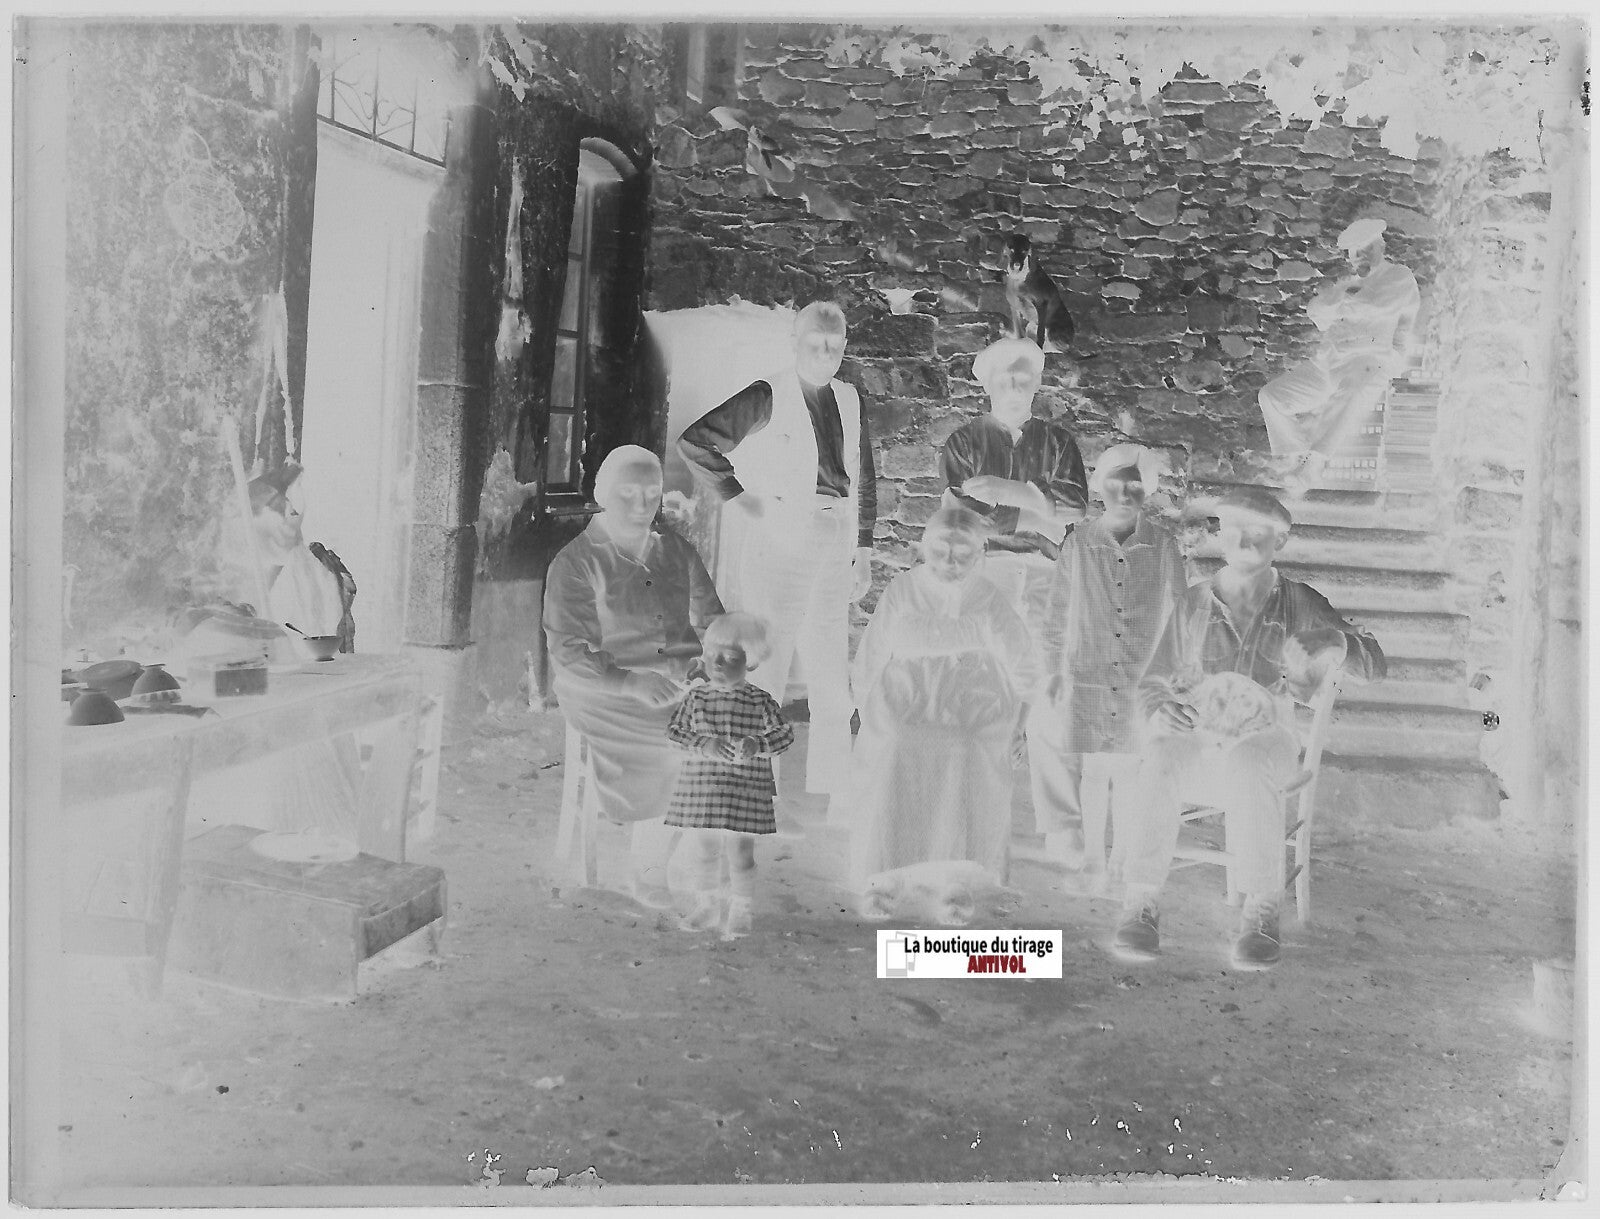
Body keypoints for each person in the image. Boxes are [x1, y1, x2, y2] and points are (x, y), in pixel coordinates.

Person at [1112, 486, 1386, 970]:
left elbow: (1375, 664)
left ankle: (1261, 907)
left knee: (1249, 761)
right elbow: (1154, 679)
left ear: (1279, 541)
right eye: (1232, 528)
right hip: (1203, 733)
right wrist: (1160, 709)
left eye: (1256, 532)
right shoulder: (1197, 602)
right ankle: (1142, 899)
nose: (1242, 540)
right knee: (1160, 753)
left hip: (1268, 737)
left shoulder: (1299, 601)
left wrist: (1334, 639)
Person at [675, 301, 875, 800]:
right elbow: (698, 443)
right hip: (780, 546)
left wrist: (863, 552)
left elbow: (862, 480)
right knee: (769, 666)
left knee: (831, 670)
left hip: (832, 544)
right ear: (795, 341)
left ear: (844, 347)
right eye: (814, 341)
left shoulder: (850, 399)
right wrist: (742, 502)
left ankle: (833, 794)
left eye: (834, 344)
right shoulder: (768, 393)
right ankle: (757, 793)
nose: (824, 352)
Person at [543, 446, 724, 906]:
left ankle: (689, 848)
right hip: (605, 688)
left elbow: (712, 619)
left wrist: (709, 664)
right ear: (602, 494)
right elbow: (571, 650)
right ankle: (649, 867)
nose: (642, 504)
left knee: (736, 730)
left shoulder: (677, 549)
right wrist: (631, 682)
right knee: (678, 740)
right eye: (628, 493)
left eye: (652, 493)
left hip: (679, 681)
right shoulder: (576, 562)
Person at [846, 505, 1037, 921]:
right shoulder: (902, 588)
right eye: (939, 550)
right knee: (896, 737)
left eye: (961, 552)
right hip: (907, 690)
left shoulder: (988, 596)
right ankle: (885, 872)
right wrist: (866, 708)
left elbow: (1025, 666)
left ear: (979, 555)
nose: (949, 561)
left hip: (974, 694)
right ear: (923, 548)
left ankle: (957, 875)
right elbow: (873, 653)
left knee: (966, 742)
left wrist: (1020, 730)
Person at [1029, 443, 1187, 882]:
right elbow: (1058, 612)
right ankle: (1094, 857)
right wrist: (1056, 673)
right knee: (1095, 769)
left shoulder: (1162, 545)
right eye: (1114, 484)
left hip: (1141, 678)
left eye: (1134, 485)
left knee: (1133, 771)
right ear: (1100, 486)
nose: (1123, 494)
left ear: (1149, 491)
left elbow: (1179, 614)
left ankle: (1122, 859)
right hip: (1091, 675)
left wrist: (1171, 680)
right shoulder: (1080, 543)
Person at [939, 336, 1089, 666]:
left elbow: (1076, 505)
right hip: (986, 569)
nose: (1013, 385)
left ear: (1036, 383)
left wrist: (1004, 491)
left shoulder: (1058, 442)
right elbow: (964, 518)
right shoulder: (964, 443)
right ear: (988, 384)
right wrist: (1038, 516)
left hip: (1044, 572)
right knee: (985, 665)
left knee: (1041, 666)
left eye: (1022, 377)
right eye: (1003, 377)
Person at [1258, 217, 1421, 490]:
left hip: (1370, 360)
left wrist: (1340, 301)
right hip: (1329, 362)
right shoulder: (1349, 284)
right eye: (1353, 252)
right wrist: (1344, 299)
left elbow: (1375, 305)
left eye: (1365, 248)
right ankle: (1293, 456)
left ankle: (1314, 465)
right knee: (1272, 396)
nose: (1358, 256)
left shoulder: (1399, 276)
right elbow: (1316, 312)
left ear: (1381, 246)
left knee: (1355, 391)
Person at [664, 612, 795, 940]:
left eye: (730, 657)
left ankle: (741, 907)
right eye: (711, 656)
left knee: (740, 855)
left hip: (745, 793)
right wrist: (703, 744)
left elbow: (785, 735)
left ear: (750, 663)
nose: (718, 663)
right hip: (705, 791)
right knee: (705, 851)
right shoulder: (696, 698)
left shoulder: (761, 701)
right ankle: (706, 904)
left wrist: (758, 743)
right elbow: (675, 731)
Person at [225, 462, 356, 649]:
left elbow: (327, 637)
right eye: (280, 506)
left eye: (290, 508)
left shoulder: (312, 571)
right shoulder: (238, 579)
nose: (292, 513)